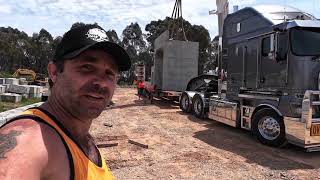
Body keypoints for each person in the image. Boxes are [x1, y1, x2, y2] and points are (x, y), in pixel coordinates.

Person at [0, 24, 131, 180]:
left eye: (109, 73)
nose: (102, 83)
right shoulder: (29, 140)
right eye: (87, 67)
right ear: (54, 72)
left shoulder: (83, 138)